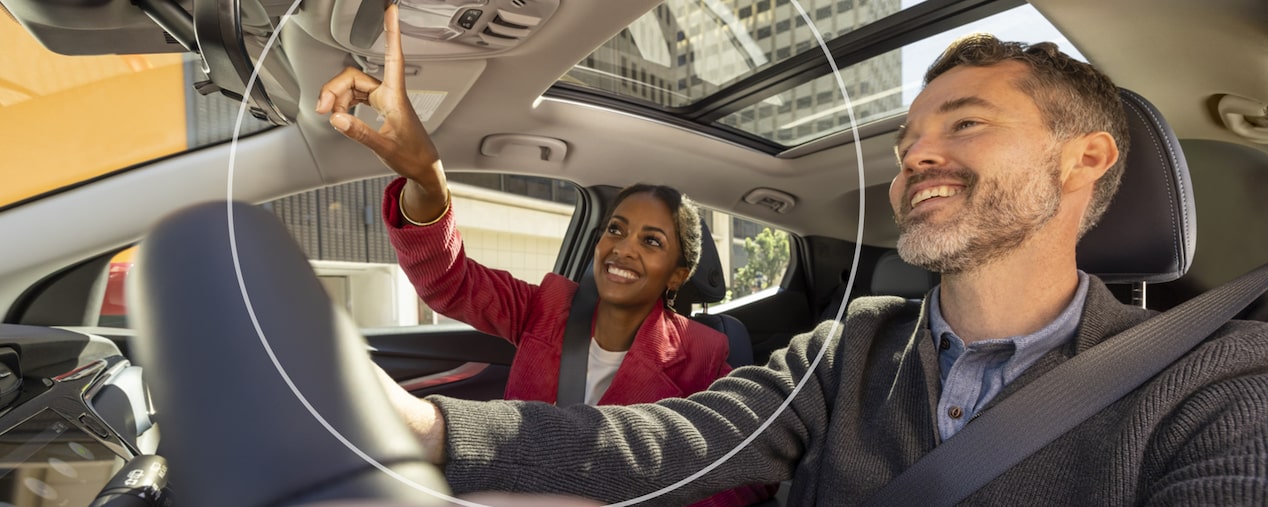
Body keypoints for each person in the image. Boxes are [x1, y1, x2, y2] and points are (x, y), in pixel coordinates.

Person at [377, 33, 1268, 506]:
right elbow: (668, 442)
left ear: (1086, 161)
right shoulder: (847, 350)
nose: (916, 157)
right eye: (908, 141)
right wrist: (428, 429)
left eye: (963, 124)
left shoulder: (1216, 380)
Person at [314, 5, 776, 506]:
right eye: (615, 229)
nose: (622, 247)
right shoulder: (549, 307)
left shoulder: (707, 356)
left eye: (651, 241)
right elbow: (449, 282)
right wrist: (429, 180)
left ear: (678, 275)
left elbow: (747, 475)